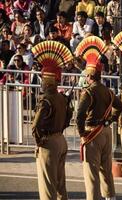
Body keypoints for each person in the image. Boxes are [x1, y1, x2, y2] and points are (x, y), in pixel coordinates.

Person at [75, 36, 122, 200]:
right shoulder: (108, 91)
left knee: (91, 172)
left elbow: (79, 115)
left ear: (90, 75)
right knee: (106, 168)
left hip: (92, 133)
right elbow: (120, 107)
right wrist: (112, 119)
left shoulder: (88, 92)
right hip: (105, 131)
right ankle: (110, 196)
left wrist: (81, 133)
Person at [31, 41, 73, 200]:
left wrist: (38, 141)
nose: (41, 82)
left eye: (43, 79)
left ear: (47, 81)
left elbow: (35, 125)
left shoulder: (45, 99)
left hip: (48, 143)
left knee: (48, 186)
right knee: (60, 184)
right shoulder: (62, 98)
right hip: (61, 139)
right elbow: (69, 117)